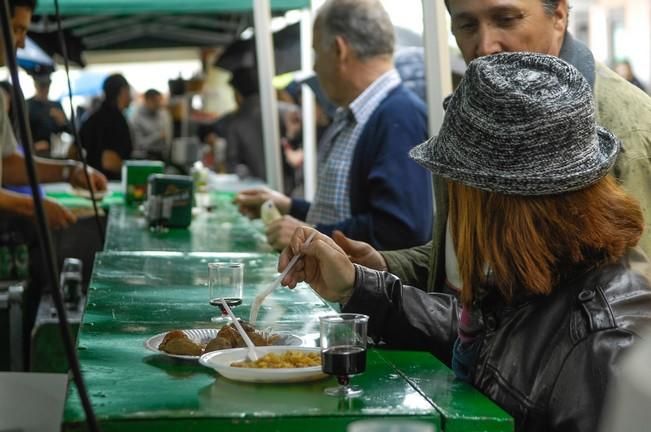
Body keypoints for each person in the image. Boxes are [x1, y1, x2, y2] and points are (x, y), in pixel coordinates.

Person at [280, 53, 651, 432]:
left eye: (455, 191)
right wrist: (356, 285)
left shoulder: (606, 344)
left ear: (494, 205)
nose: (451, 211)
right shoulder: (544, 273)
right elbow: (490, 338)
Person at [334, 0, 651, 293]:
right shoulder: (480, 106)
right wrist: (387, 266)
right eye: (468, 25)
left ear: (559, 15)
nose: (485, 47)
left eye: (506, 19)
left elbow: (632, 304)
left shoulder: (625, 127)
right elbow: (473, 254)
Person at [235, 0, 433, 252]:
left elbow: (401, 231)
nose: (316, 67)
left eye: (317, 53)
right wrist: (290, 206)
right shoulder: (363, 113)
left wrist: (312, 236)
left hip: (369, 290)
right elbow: (344, 215)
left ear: (340, 50)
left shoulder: (399, 116)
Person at [79, 73, 133, 180]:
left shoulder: (92, 117)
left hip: (90, 182)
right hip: (109, 184)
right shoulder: (117, 120)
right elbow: (108, 161)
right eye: (129, 91)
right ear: (123, 91)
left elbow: (73, 151)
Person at [26, 73, 72, 156]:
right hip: (33, 152)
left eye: (47, 86)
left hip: (54, 152)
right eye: (42, 86)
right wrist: (33, 146)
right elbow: (20, 131)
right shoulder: (27, 105)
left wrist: (62, 122)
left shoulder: (56, 105)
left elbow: (69, 130)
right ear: (35, 85)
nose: (45, 89)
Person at [130, 88, 172, 160]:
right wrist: (158, 136)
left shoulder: (163, 114)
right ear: (147, 100)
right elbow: (138, 144)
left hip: (162, 156)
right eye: (155, 101)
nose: (158, 104)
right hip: (145, 157)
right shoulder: (137, 118)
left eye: (159, 101)